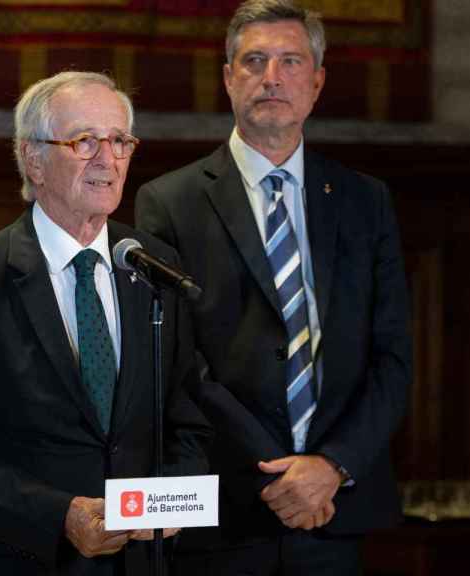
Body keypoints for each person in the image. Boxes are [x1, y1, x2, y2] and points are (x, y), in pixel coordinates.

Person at [0, 71, 212, 575]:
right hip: (14, 560)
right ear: (33, 159)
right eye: (85, 141)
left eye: (119, 141)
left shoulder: (154, 267)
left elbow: (189, 420)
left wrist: (172, 499)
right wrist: (58, 515)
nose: (107, 160)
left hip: (135, 563)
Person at [135, 1, 412, 573]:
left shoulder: (365, 201)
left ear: (317, 82)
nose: (272, 77)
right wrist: (281, 471)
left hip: (336, 508)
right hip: (231, 508)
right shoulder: (169, 202)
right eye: (254, 60)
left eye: (291, 61)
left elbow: (392, 358)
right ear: (227, 77)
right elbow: (180, 362)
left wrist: (330, 466)